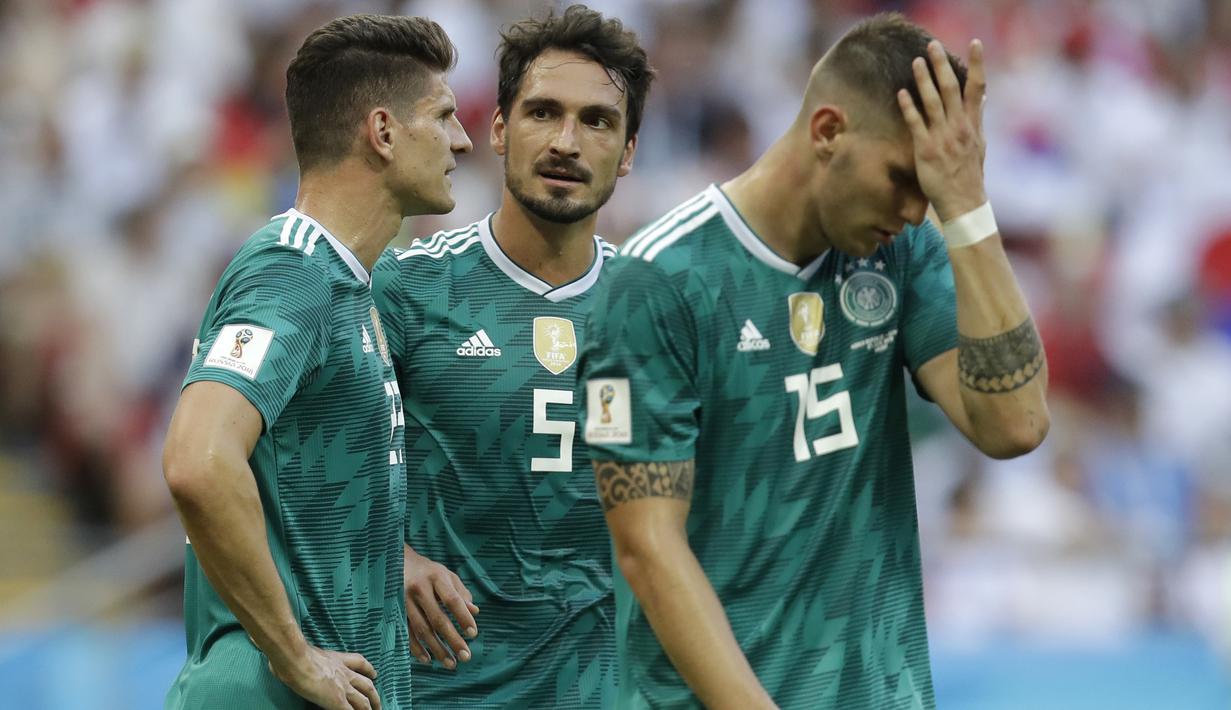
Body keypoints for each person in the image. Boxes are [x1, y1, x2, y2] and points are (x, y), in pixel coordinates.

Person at [576, 12, 1049, 710]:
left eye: (932, 190)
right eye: (902, 178)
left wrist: (967, 203)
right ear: (827, 132)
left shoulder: (901, 250)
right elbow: (648, 551)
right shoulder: (657, 281)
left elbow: (1014, 425)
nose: (917, 211)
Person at [162, 14, 472, 710]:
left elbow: (302, 491)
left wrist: (390, 559)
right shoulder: (292, 272)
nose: (463, 138)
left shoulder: (347, 283)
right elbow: (197, 461)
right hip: (264, 692)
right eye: (444, 116)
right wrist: (296, 657)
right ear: (384, 132)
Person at [370, 5, 652, 708]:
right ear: (497, 129)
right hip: (440, 693)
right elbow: (301, 465)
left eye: (597, 121)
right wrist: (390, 554)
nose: (566, 141)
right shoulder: (404, 289)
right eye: (542, 112)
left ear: (627, 152)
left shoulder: (662, 311)